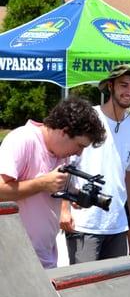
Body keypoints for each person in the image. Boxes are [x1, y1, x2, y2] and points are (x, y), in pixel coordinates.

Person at [0, 97, 106, 268]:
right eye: (79, 145)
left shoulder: (62, 153)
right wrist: (42, 184)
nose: (79, 153)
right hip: (15, 261)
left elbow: (51, 191)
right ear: (64, 131)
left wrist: (78, 195)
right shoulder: (23, 140)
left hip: (44, 256)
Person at [63, 64, 130, 263]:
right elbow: (66, 164)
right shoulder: (89, 118)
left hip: (117, 224)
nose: (129, 92)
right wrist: (64, 209)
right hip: (84, 222)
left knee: (112, 287)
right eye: (123, 85)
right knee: (83, 287)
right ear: (111, 86)